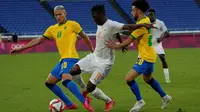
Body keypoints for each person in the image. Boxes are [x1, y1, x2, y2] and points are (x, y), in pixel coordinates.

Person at [69, 4, 155, 112]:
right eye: (93, 16)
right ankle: (84, 91)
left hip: (105, 63)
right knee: (73, 70)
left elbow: (128, 27)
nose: (93, 19)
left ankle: (109, 101)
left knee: (91, 86)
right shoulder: (99, 23)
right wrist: (119, 40)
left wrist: (142, 25)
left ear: (101, 14)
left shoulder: (111, 24)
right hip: (94, 56)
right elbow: (116, 33)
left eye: (95, 16)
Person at [10, 5, 94, 112]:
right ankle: (69, 104)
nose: (58, 17)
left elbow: (85, 37)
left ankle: (84, 100)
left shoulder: (73, 24)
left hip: (71, 57)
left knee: (65, 80)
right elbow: (38, 40)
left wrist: (92, 50)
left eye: (60, 14)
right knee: (49, 83)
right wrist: (21, 48)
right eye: (56, 15)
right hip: (62, 60)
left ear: (65, 13)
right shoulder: (52, 29)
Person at [106, 0, 172, 112]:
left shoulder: (141, 25)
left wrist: (115, 45)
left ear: (139, 11)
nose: (131, 12)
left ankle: (139, 101)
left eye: (133, 10)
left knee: (128, 78)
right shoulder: (145, 21)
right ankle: (165, 97)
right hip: (150, 55)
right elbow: (131, 33)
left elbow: (128, 41)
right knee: (147, 79)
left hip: (145, 57)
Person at [147, 8, 171, 83]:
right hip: (148, 45)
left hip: (157, 45)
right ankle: (147, 77)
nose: (150, 16)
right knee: (146, 62)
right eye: (149, 15)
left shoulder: (160, 23)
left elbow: (167, 33)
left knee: (163, 58)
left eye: (151, 14)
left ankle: (167, 78)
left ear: (154, 15)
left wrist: (161, 39)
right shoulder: (145, 23)